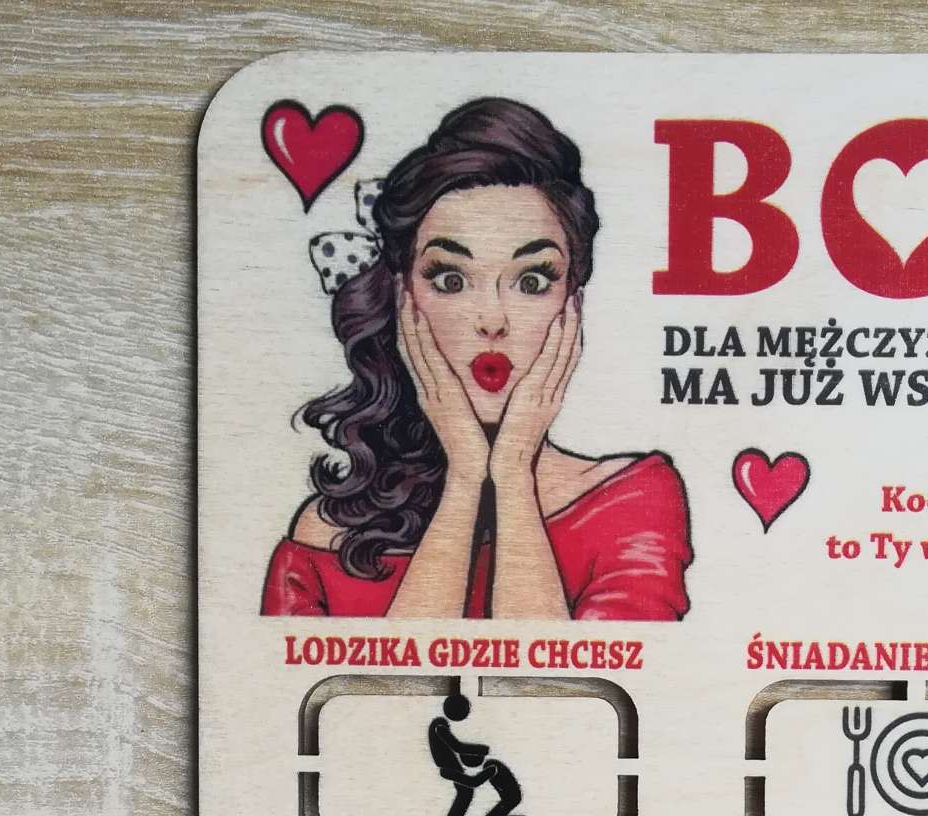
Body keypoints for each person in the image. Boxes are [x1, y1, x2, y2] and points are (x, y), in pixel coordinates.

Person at [261, 97, 692, 620]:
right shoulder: (325, 535)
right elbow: (398, 676)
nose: (492, 320)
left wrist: (511, 472)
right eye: (450, 280)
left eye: (531, 281)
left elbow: (550, 675)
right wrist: (466, 476)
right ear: (402, 298)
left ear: (571, 305)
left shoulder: (632, 499)